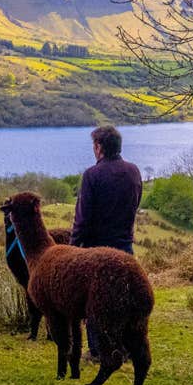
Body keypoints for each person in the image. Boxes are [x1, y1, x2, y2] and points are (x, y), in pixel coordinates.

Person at [71, 125, 143, 362]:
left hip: (98, 249)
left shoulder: (92, 175)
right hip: (125, 246)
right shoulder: (133, 171)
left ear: (99, 147)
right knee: (124, 301)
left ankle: (98, 352)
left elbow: (83, 217)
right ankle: (126, 349)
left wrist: (73, 247)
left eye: (94, 145)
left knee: (95, 304)